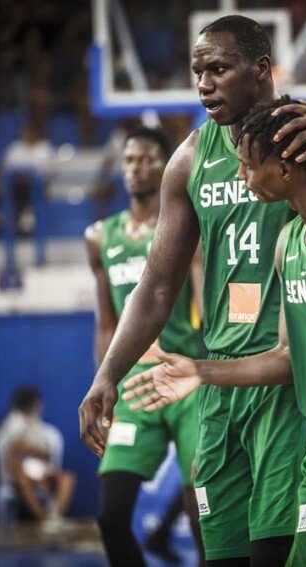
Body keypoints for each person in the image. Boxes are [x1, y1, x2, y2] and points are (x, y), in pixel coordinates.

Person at [78, 15, 306, 566]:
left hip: (297, 382)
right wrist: (108, 372)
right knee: (222, 556)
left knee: (278, 554)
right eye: (197, 72)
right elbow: (156, 286)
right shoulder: (189, 159)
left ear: (261, 70)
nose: (204, 84)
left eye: (218, 69)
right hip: (223, 382)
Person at [84, 127, 204, 566]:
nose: (136, 168)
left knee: (201, 518)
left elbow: (208, 309)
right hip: (136, 387)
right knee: (110, 519)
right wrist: (104, 379)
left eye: (147, 159)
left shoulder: (185, 229)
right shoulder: (99, 237)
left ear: (166, 164)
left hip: (188, 380)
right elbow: (106, 323)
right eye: (129, 160)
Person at [0, 385, 76, 531]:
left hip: (41, 474)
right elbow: (11, 459)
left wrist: (41, 469)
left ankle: (54, 519)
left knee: (67, 478)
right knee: (23, 481)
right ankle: (44, 523)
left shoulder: (40, 428)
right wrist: (27, 471)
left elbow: (46, 455)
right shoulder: (9, 428)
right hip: (18, 478)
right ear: (35, 403)